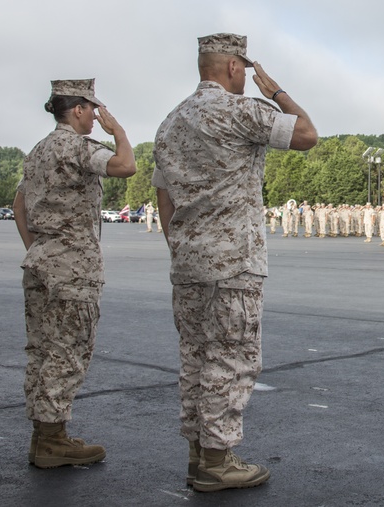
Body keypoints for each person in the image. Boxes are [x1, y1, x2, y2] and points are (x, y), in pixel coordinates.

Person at [153, 33, 318, 492]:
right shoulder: (241, 111)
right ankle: (217, 460)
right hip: (232, 264)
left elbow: (163, 193)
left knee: (195, 358)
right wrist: (277, 92)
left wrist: (181, 245)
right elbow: (306, 134)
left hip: (187, 263)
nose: (246, 75)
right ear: (232, 67)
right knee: (230, 359)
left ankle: (197, 452)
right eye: (244, 68)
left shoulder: (170, 122)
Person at [13, 79, 137, 468]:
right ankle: (52, 440)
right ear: (80, 109)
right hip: (72, 267)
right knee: (68, 349)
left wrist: (38, 248)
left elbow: (19, 206)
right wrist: (118, 132)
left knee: (41, 350)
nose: (96, 116)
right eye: (93, 109)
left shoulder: (38, 151)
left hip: (41, 260)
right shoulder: (78, 147)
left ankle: (44, 435)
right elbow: (125, 166)